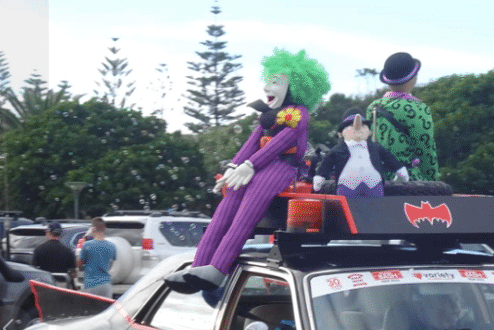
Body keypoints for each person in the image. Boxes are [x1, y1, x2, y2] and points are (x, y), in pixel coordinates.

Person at [165, 48, 330, 292]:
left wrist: (251, 164)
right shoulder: (270, 114)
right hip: (255, 165)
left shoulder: (298, 115)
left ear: (294, 87)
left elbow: (281, 144)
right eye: (268, 81)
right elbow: (253, 141)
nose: (268, 88)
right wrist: (234, 166)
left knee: (247, 212)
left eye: (276, 82)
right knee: (225, 209)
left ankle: (217, 269)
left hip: (282, 166)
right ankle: (198, 266)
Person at [366, 52, 438, 181]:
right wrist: (432, 182)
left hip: (377, 179)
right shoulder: (418, 109)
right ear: (413, 78)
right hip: (408, 181)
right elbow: (426, 150)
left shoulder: (373, 107)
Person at [77, 217, 116, 298]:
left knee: (91, 309)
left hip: (91, 284)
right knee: (107, 309)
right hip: (106, 284)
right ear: (104, 230)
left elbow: (79, 264)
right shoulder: (112, 246)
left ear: (92, 229)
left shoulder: (87, 245)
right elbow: (111, 264)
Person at [31, 221, 77, 288]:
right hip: (62, 286)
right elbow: (73, 273)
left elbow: (34, 269)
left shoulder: (39, 249)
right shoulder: (68, 251)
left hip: (45, 284)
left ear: (48, 233)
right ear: (60, 234)